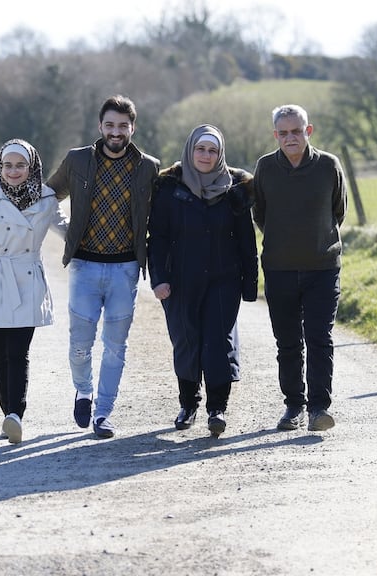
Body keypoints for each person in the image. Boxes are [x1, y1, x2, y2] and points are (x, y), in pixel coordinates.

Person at [46, 94, 160, 439]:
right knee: (80, 344)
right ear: (100, 126)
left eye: (122, 126)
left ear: (132, 128)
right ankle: (83, 390)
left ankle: (103, 413)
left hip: (125, 270)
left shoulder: (148, 167)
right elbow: (49, 194)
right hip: (84, 266)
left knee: (115, 347)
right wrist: (66, 231)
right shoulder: (78, 160)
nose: (116, 132)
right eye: (110, 125)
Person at [147, 124, 258, 437]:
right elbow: (157, 238)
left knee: (217, 343)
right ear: (190, 150)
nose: (206, 155)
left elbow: (246, 240)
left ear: (220, 154)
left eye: (212, 150)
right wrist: (159, 279)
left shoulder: (235, 189)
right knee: (186, 341)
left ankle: (216, 409)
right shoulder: (169, 188)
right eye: (200, 149)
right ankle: (188, 403)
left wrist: (250, 284)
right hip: (180, 282)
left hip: (224, 279)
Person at [0, 139, 68, 444]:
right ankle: (7, 412)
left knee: (19, 352)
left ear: (32, 166)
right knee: (0, 352)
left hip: (27, 278)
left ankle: (15, 415)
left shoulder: (47, 198)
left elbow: (68, 229)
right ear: (0, 166)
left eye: (20, 165)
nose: (13, 171)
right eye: (8, 165)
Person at [253, 104, 347, 432]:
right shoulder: (265, 167)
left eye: (296, 131)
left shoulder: (328, 166)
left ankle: (319, 409)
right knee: (288, 342)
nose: (290, 137)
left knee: (319, 338)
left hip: (322, 268)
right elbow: (260, 213)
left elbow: (338, 210)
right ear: (275, 135)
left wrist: (315, 240)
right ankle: (293, 406)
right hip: (279, 269)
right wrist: (284, 240)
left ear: (309, 131)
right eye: (283, 132)